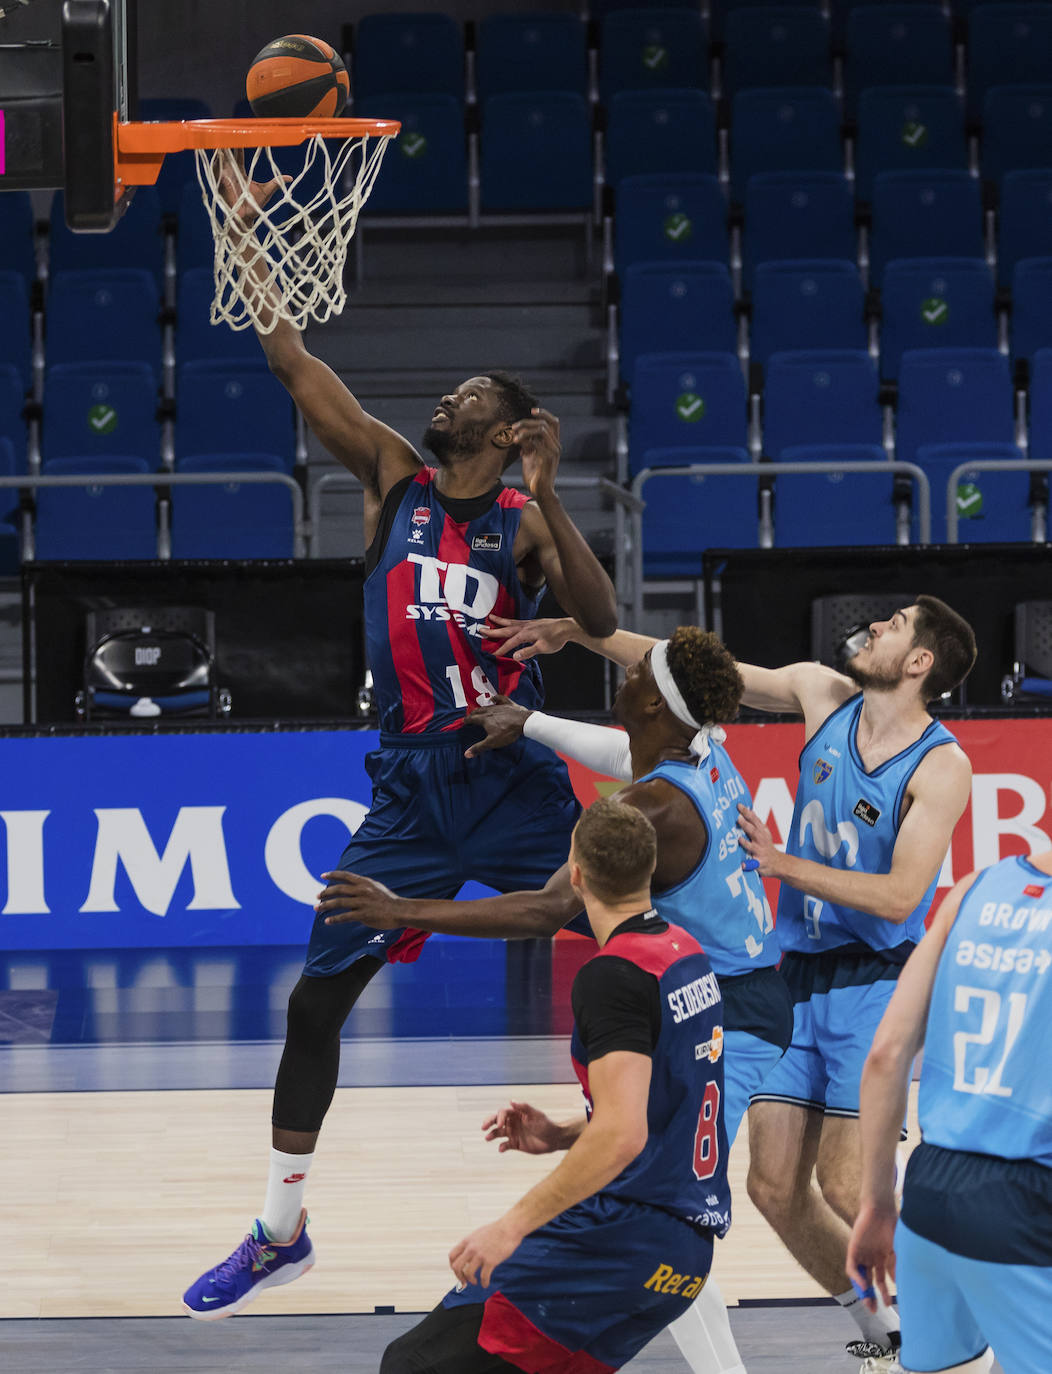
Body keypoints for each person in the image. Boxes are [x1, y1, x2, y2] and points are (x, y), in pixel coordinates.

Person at [181, 164, 618, 1320]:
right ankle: (281, 1227)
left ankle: (607, 1163)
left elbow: (608, 621)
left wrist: (553, 493)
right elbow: (293, 362)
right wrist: (240, 235)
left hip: (510, 778)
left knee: (612, 952)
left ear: (513, 427)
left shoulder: (522, 524)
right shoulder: (395, 477)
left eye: (472, 391)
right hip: (410, 790)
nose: (447, 398)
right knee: (312, 1004)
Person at [467, 598, 976, 1371]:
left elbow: (904, 897)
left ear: (919, 664)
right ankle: (887, 1337)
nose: (875, 627)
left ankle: (969, 1318)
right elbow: (698, 675)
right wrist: (586, 634)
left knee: (845, 1183)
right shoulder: (820, 693)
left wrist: (784, 866)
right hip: (791, 971)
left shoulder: (943, 766)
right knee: (773, 1188)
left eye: (896, 625)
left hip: (875, 980)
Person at [317, 625, 792, 1374]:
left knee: (666, 1195)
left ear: (657, 707)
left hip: (730, 1003)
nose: (626, 670)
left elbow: (543, 912)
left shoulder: (656, 820)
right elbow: (624, 755)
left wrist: (399, 909)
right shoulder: (699, 748)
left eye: (640, 670)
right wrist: (532, 723)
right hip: (730, 980)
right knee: (654, 1177)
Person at [380, 797, 732, 1374]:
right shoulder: (687, 956)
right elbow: (671, 1101)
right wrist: (566, 1132)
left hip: (620, 1237)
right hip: (684, 1259)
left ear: (575, 876)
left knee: (413, 1364)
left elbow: (622, 1135)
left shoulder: (614, 975)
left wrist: (508, 1228)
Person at [847, 849, 1052, 1374]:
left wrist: (876, 1205)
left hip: (930, 1195)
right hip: (1028, 1203)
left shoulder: (974, 887)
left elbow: (886, 1056)